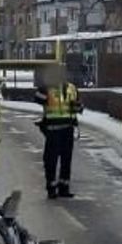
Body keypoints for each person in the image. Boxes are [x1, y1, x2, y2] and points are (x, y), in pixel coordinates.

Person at [33, 64, 82, 199]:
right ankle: (51, 188)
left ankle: (64, 188)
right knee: (51, 160)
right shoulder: (47, 87)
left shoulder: (72, 88)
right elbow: (37, 97)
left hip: (68, 128)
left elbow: (79, 105)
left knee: (66, 160)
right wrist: (46, 93)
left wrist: (77, 107)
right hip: (52, 130)